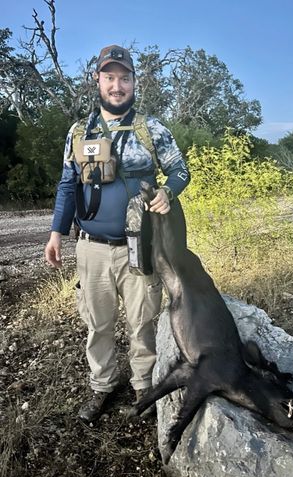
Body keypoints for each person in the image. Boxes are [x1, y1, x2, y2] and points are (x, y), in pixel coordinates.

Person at [45, 45, 190, 423]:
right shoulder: (79, 131)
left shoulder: (151, 127)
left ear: (133, 82)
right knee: (98, 323)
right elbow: (66, 186)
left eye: (124, 78)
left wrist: (166, 192)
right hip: (91, 248)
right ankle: (102, 385)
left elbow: (180, 171)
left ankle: (144, 385)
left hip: (140, 246)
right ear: (97, 80)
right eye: (109, 77)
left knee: (143, 320)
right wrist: (56, 234)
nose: (117, 85)